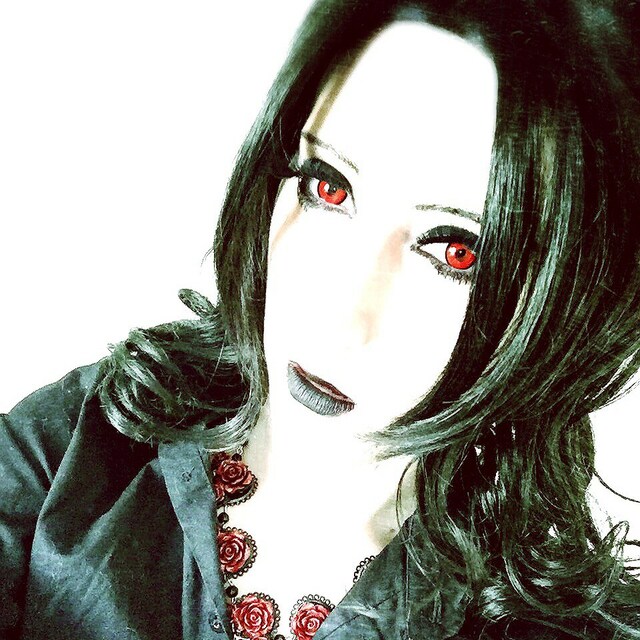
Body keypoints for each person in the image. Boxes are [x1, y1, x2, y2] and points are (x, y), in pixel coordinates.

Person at [2, 1, 640, 639]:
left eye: (455, 252)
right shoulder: (82, 444)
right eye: (329, 187)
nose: (337, 322)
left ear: (564, 312)